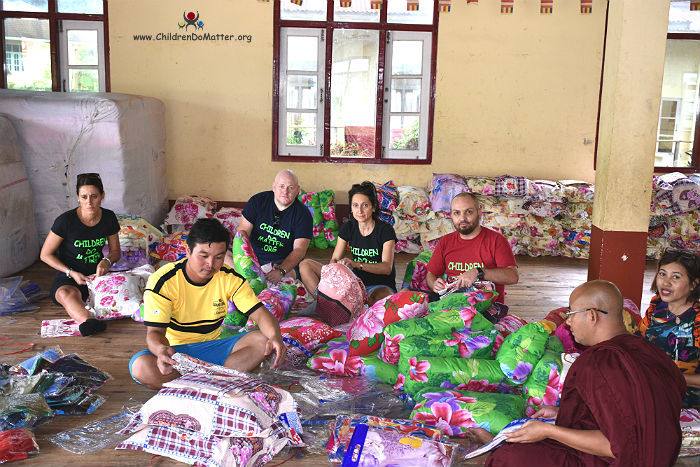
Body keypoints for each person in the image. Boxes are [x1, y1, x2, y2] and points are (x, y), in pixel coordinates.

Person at [468, 280, 686, 467]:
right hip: (663, 454)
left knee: (511, 458)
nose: (568, 322)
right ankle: (498, 443)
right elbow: (632, 410)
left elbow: (620, 445)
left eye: (570, 314)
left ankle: (496, 448)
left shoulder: (600, 362)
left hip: (625, 459)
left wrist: (549, 432)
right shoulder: (652, 353)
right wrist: (561, 413)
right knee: (528, 438)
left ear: (592, 316)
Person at [129, 218, 286, 390]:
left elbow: (260, 313)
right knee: (141, 366)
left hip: (215, 348)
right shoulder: (163, 281)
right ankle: (217, 381)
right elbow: (155, 332)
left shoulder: (229, 278)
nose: (210, 264)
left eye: (219, 257)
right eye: (203, 256)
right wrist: (160, 350)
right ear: (188, 251)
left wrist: (275, 337)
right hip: (176, 352)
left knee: (263, 341)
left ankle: (194, 384)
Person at [39, 172, 120, 337]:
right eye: (84, 197)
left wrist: (106, 261)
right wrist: (70, 272)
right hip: (69, 276)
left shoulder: (108, 217)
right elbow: (45, 255)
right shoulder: (65, 221)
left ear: (102, 196)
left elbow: (115, 252)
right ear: (78, 197)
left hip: (98, 275)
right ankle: (88, 322)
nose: (89, 202)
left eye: (94, 196)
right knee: (66, 294)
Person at [300, 181, 397, 306]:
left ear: (373, 207)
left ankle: (345, 305)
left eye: (365, 205)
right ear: (351, 208)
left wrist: (356, 264)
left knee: (384, 299)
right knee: (305, 265)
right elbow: (334, 259)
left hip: (378, 285)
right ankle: (326, 303)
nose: (360, 211)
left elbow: (386, 268)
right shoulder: (348, 227)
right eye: (355, 205)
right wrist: (337, 273)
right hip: (352, 283)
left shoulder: (385, 230)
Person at [426, 192, 518, 309]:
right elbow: (431, 274)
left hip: (486, 308)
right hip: (450, 306)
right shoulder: (446, 241)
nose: (462, 218)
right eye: (457, 213)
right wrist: (434, 284)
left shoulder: (497, 240)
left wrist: (479, 272)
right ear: (451, 215)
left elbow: (513, 276)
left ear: (479, 212)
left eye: (468, 212)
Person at [638, 248, 700, 407]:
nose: (666, 282)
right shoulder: (656, 306)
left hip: (688, 401)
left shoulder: (697, 320)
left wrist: (670, 377)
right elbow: (639, 341)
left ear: (694, 284)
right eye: (662, 274)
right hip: (653, 389)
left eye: (676, 277)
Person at [233, 169, 312, 284]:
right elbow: (243, 231)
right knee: (225, 256)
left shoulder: (303, 214)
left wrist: (281, 271)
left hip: (282, 262)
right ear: (274, 187)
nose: (285, 192)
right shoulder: (257, 201)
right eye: (281, 186)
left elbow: (299, 250)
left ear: (298, 190)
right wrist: (245, 260)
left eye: (290, 188)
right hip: (253, 256)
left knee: (297, 272)